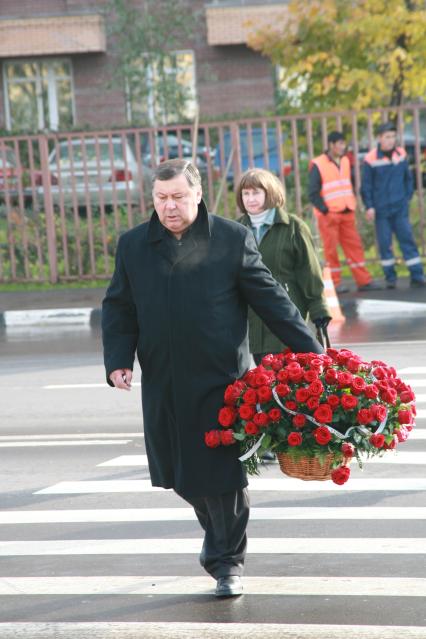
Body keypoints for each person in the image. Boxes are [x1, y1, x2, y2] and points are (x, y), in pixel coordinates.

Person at [102, 159, 323, 599]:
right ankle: (219, 545)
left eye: (178, 197)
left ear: (198, 194)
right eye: (162, 198)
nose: (170, 207)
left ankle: (227, 562)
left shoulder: (230, 239)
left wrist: (316, 353)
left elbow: (272, 300)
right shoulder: (134, 246)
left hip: (223, 383)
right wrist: (118, 359)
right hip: (164, 382)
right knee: (180, 474)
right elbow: (119, 306)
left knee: (223, 477)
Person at [309, 131, 381, 294]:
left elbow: (348, 184)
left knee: (354, 247)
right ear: (331, 144)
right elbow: (312, 192)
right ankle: (334, 283)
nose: (343, 147)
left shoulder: (346, 161)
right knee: (331, 250)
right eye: (340, 144)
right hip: (329, 215)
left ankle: (364, 281)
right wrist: (325, 210)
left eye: (344, 143)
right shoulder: (318, 164)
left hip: (347, 211)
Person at [361, 121, 425, 289]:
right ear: (379, 138)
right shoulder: (370, 159)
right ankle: (390, 278)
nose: (391, 140)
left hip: (400, 208)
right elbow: (366, 186)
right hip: (381, 210)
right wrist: (369, 206)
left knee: (407, 240)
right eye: (387, 137)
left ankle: (417, 275)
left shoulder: (401, 154)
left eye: (393, 137)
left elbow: (408, 179)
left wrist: (406, 198)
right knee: (384, 244)